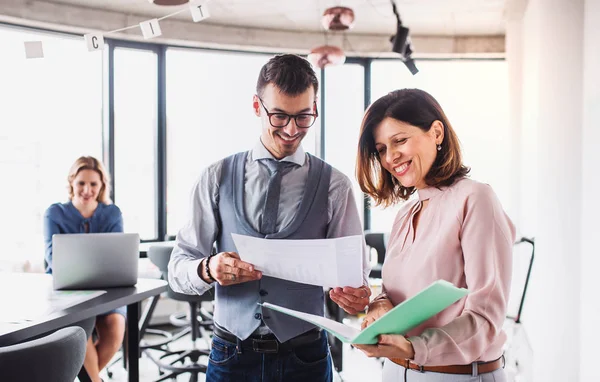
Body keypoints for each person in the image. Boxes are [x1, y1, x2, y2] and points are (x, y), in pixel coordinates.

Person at [168, 54, 371, 382]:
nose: (292, 130)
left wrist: (355, 295)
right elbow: (177, 269)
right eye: (278, 116)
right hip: (231, 355)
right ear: (256, 106)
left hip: (306, 357)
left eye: (304, 117)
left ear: (315, 108)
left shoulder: (336, 186)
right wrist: (208, 268)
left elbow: (356, 278)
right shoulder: (215, 177)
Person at [354, 89, 515, 382]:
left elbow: (485, 318)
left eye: (399, 140)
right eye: (381, 149)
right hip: (395, 371)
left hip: (458, 375)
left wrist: (416, 347)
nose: (391, 158)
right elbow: (394, 294)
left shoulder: (475, 198)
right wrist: (379, 306)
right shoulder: (406, 213)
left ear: (436, 132)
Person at [43, 156, 126, 382]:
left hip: (107, 290)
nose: (87, 190)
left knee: (116, 325)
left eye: (93, 184)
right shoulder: (55, 213)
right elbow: (52, 259)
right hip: (68, 293)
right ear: (72, 183)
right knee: (81, 330)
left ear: (101, 187)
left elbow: (117, 257)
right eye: (81, 183)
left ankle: (88, 378)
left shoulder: (112, 213)